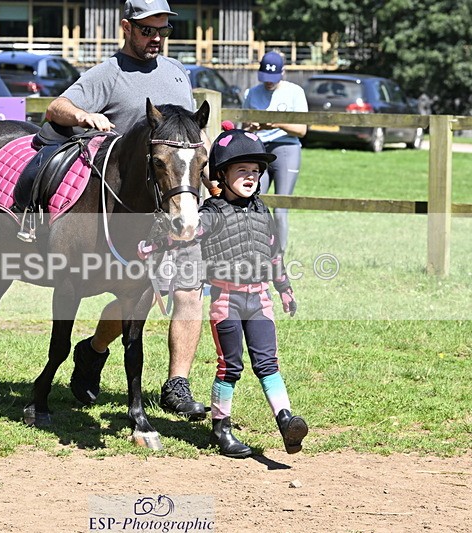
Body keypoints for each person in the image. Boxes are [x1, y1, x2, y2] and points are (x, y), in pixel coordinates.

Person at [45, 0, 207, 419]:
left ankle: (177, 385)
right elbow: (55, 108)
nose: (156, 38)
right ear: (127, 28)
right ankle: (94, 350)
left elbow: (187, 143)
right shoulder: (108, 74)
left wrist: (204, 185)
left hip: (176, 203)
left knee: (189, 290)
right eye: (147, 30)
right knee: (135, 296)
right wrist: (85, 115)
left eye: (162, 31)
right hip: (125, 214)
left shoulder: (176, 73)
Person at [142, 126, 308, 458]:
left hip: (260, 300)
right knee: (230, 366)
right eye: (242, 170)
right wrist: (155, 243)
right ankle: (222, 428)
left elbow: (274, 253)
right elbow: (185, 235)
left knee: (268, 363)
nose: (251, 176)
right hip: (227, 301)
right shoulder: (211, 214)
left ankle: (286, 420)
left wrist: (284, 288)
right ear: (221, 174)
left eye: (256, 171)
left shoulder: (263, 211)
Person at [242, 50, 308, 254]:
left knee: (280, 208)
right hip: (259, 150)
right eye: (265, 79)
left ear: (283, 72)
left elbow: (302, 130)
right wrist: (252, 126)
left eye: (273, 79)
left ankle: (279, 255)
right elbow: (243, 127)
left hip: (286, 148)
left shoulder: (295, 92)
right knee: (253, 201)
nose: (268, 83)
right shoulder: (251, 93)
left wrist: (275, 123)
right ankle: (255, 248)